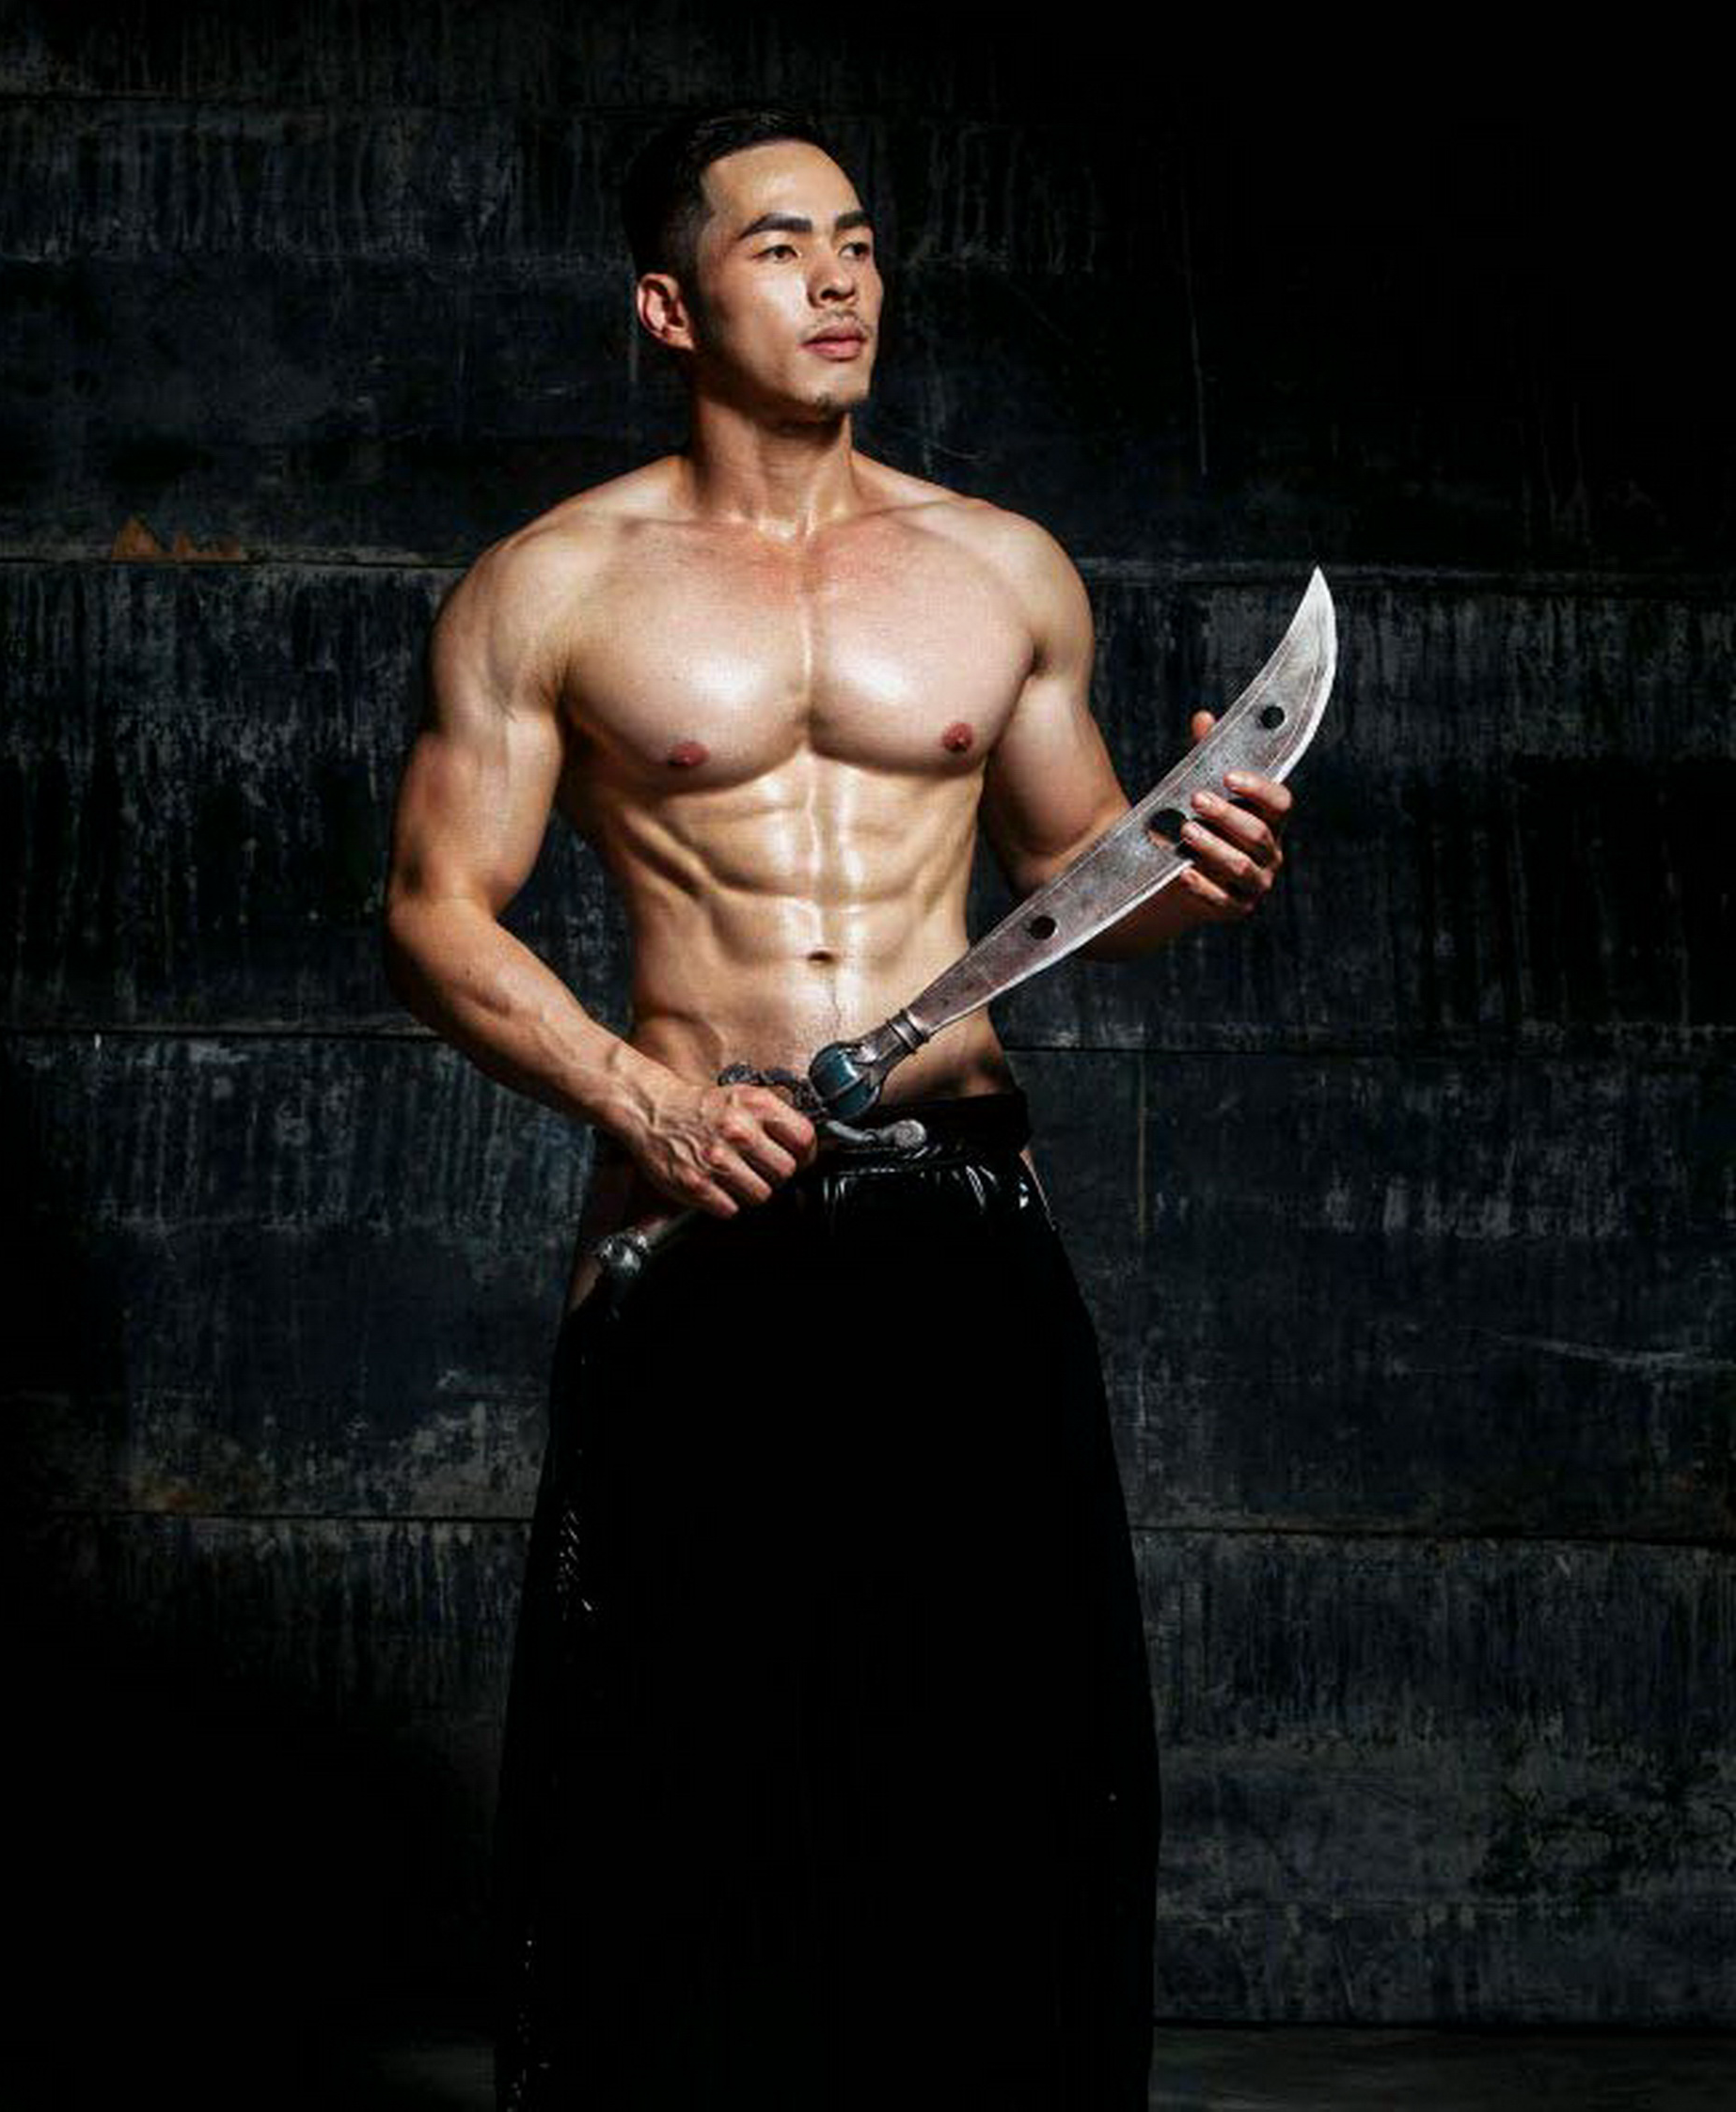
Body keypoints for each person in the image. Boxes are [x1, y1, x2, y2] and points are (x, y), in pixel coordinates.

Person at [381, 106, 1293, 2110]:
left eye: (860, 242)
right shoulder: (552, 584)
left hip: (957, 1212)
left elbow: (1082, 880)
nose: (839, 280)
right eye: (780, 245)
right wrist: (648, 1102)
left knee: (1006, 1769)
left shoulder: (997, 568)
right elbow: (433, 913)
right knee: (681, 1784)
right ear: (668, 306)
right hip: (700, 1215)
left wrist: (1198, 863)